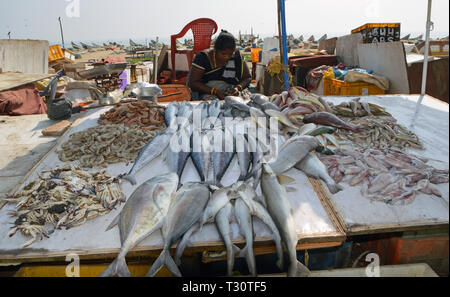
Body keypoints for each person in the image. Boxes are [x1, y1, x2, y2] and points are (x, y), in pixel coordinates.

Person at [187, 30, 252, 100]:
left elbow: (247, 77)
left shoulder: (236, 56)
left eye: (230, 54)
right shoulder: (203, 57)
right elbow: (193, 82)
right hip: (209, 92)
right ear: (215, 50)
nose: (227, 57)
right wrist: (215, 91)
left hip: (231, 92)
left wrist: (237, 88)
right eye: (223, 54)